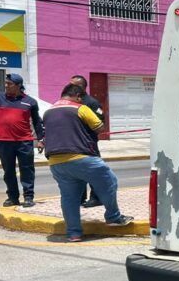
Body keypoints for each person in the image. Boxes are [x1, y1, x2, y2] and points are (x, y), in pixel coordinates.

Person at [43, 83, 133, 242]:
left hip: (56, 163)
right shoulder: (80, 108)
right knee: (109, 181)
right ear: (78, 96)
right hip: (81, 158)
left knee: (69, 198)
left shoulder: (48, 111)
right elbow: (99, 127)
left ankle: (74, 233)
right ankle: (113, 216)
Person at [0, 73, 43, 208]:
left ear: (18, 86)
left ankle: (28, 197)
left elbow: (37, 122)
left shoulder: (30, 101)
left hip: (24, 141)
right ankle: (12, 197)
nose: (6, 86)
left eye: (9, 84)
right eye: (5, 83)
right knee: (8, 171)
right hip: (3, 141)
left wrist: (40, 139)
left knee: (27, 170)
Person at [70, 75, 105, 208]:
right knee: (78, 171)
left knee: (92, 171)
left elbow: (101, 123)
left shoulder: (91, 102)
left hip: (88, 143)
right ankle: (80, 197)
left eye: (73, 84)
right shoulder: (71, 102)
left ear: (82, 87)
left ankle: (96, 197)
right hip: (74, 143)